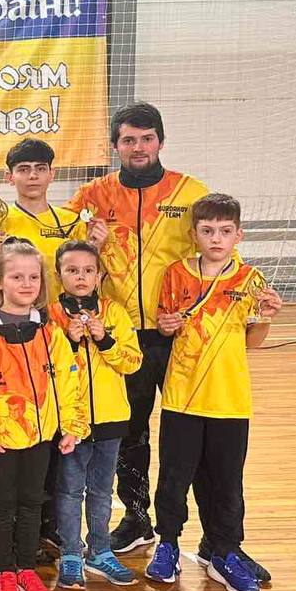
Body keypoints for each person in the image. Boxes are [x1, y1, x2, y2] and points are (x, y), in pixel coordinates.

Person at [66, 103, 216, 560]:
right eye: (128, 140)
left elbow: (214, 261)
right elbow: (62, 249)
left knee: (191, 434)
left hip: (180, 337)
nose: (138, 147)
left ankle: (212, 536)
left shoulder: (191, 192)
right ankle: (137, 519)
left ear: (161, 142)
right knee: (129, 434)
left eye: (147, 138)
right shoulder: (93, 195)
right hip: (120, 339)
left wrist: (187, 314)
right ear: (115, 145)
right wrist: (86, 243)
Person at [145, 194, 283, 591]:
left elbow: (252, 341)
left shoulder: (250, 279)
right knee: (174, 477)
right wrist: (167, 326)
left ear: (238, 235)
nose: (216, 238)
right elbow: (165, 325)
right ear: (194, 235)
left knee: (227, 481)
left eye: (225, 231)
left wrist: (266, 318)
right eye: (207, 231)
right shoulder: (176, 273)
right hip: (182, 397)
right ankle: (168, 544)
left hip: (229, 399)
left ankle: (224, 551)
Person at [0, 241, 89, 591]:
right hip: (0, 437)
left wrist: (71, 425)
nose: (26, 284)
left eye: (33, 277)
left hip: (40, 436)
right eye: (17, 277)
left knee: (32, 503)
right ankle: (4, 571)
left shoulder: (50, 331)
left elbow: (67, 382)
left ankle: (27, 569)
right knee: (2, 503)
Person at [48, 240, 142, 589]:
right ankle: (71, 553)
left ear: (99, 275)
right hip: (70, 421)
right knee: (70, 490)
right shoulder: (50, 316)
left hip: (111, 417)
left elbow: (133, 363)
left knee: (102, 491)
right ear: (58, 274)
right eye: (72, 270)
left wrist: (106, 340)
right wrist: (69, 343)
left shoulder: (115, 313)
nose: (81, 277)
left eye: (88, 270)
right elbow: (47, 367)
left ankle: (101, 550)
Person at [0, 139, 86, 297]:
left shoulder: (72, 223)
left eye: (41, 168)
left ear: (51, 174)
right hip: (10, 311)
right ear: (10, 177)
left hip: (60, 311)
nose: (33, 176)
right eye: (23, 169)